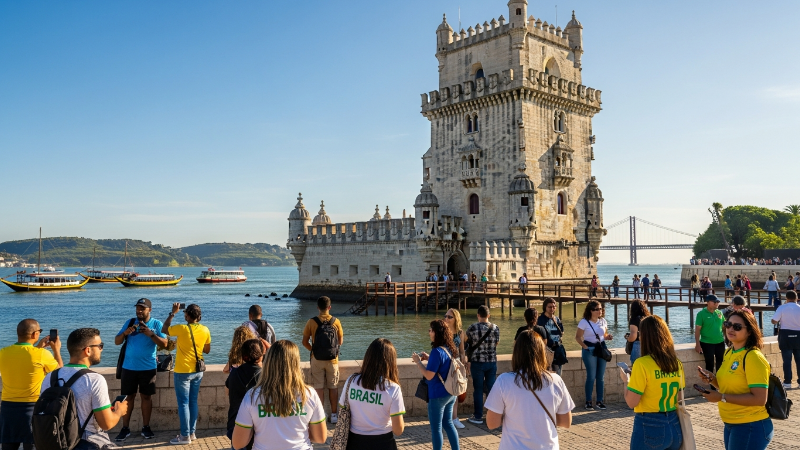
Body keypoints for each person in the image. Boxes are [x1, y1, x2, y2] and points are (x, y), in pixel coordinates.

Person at [41, 328, 128, 450]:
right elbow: (106, 423)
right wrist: (119, 411)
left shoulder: (50, 377)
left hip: (56, 442)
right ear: (87, 350)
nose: (101, 349)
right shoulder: (94, 379)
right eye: (100, 346)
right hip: (86, 442)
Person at [485, 331, 574, 449]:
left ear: (516, 353)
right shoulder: (556, 380)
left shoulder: (504, 381)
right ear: (542, 352)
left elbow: (492, 423)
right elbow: (566, 421)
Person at [232, 340, 327, 450]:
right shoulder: (309, 394)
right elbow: (320, 438)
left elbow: (238, 443)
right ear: (296, 364)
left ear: (268, 362)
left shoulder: (252, 396)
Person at [698, 311, 773, 450]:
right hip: (731, 423)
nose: (731, 329)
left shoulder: (753, 357)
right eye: (728, 324)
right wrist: (712, 379)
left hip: (750, 425)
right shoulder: (729, 352)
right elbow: (728, 386)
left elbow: (759, 399)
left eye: (737, 327)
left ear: (749, 331)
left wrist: (721, 397)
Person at [621, 316, 685, 450]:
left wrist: (626, 381)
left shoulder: (642, 364)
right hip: (674, 424)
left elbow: (631, 402)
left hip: (650, 425)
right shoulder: (676, 363)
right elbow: (678, 397)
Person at [0, 319, 63, 450]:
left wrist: (37, 348)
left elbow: (24, 360)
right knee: (32, 444)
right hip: (32, 407)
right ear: (35, 334)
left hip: (8, 407)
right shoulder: (41, 354)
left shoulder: (3, 352)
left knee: (8, 445)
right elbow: (59, 371)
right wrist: (56, 350)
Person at [113, 298, 167, 441]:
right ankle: (125, 428)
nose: (139, 311)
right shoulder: (130, 322)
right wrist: (125, 333)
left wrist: (151, 334)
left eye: (142, 308)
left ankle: (146, 427)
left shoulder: (156, 324)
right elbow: (117, 341)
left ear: (150, 310)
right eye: (137, 308)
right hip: (128, 367)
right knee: (127, 398)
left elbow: (165, 344)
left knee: (146, 397)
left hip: (148, 368)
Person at [339, 338, 405, 449]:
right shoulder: (393, 388)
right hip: (383, 443)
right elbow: (398, 430)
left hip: (354, 442)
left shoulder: (351, 381)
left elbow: (343, 409)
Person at [162, 303, 211, 444]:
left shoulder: (182, 328)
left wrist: (173, 313)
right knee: (193, 402)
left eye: (185, 313)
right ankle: (192, 433)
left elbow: (164, 329)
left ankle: (184, 436)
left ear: (187, 315)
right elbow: (207, 350)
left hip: (183, 371)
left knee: (183, 403)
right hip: (198, 371)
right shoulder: (205, 329)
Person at [411, 320, 459, 450]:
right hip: (450, 392)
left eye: (431, 330)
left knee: (436, 428)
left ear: (436, 333)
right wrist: (429, 358)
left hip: (437, 395)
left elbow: (429, 375)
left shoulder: (436, 352)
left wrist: (418, 362)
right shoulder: (449, 348)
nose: (429, 332)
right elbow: (442, 364)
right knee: (448, 424)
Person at [301, 296, 344, 424]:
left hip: (317, 359)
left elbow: (304, 342)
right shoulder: (336, 321)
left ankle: (322, 414)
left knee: (318, 387)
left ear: (318, 307)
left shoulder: (311, 322)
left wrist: (314, 350)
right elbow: (340, 341)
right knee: (333, 387)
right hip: (333, 360)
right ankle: (334, 415)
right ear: (329, 307)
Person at [575, 300, 612, 410]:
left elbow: (603, 335)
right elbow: (578, 337)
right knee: (591, 376)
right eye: (596, 309)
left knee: (600, 377)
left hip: (601, 349)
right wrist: (585, 347)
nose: (599, 311)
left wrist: (607, 337)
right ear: (590, 311)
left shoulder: (603, 321)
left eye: (600, 309)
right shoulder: (584, 322)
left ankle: (600, 401)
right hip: (589, 349)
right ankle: (588, 401)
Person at [226, 339, 264, 447]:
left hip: (235, 424)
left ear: (243, 356)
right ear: (261, 356)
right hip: (257, 428)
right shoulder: (264, 376)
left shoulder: (234, 373)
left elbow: (227, 391)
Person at [465, 305, 499, 424]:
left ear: (478, 315)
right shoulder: (495, 327)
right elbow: (497, 343)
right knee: (491, 389)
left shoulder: (472, 327)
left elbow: (466, 342)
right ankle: (493, 415)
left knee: (478, 390)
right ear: (488, 315)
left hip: (477, 362)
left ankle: (478, 416)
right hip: (491, 362)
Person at [443, 308, 467, 429]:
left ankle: (454, 418)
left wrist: (464, 359)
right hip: (444, 364)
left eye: (449, 317)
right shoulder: (442, 331)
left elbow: (462, 350)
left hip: (456, 365)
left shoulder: (460, 332)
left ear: (455, 319)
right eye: (445, 316)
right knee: (444, 393)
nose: (446, 319)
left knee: (456, 392)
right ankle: (445, 419)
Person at [772, 290, 800, 389]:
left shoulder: (782, 308)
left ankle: (787, 382)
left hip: (785, 335)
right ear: (796, 298)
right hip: (798, 335)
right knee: (799, 360)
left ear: (786, 298)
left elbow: (774, 321)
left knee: (787, 360)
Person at [695, 295, 725, 373]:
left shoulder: (719, 313)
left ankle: (719, 380)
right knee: (709, 364)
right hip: (707, 343)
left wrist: (729, 339)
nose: (716, 303)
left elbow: (724, 327)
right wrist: (697, 344)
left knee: (721, 364)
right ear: (707, 302)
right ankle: (710, 381)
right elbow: (697, 330)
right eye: (714, 302)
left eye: (718, 302)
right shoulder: (701, 314)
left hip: (720, 342)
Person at [537, 298, 565, 375]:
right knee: (545, 375)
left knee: (558, 375)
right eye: (549, 307)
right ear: (545, 307)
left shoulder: (557, 319)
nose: (552, 309)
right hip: (545, 351)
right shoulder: (540, 320)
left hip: (557, 350)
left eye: (553, 307)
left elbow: (561, 332)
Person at [626, 300, 651, 365]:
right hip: (649, 345)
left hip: (639, 346)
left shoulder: (634, 319)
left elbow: (633, 336)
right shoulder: (649, 319)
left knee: (637, 366)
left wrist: (628, 338)